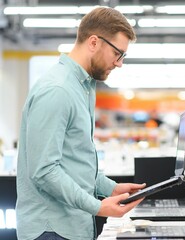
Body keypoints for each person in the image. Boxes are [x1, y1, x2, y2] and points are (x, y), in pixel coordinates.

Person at [16, 7, 146, 240]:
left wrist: (110, 188)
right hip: (52, 229)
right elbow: (44, 171)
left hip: (71, 225)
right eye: (118, 53)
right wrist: (98, 207)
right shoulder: (57, 90)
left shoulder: (83, 87)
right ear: (94, 42)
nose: (119, 64)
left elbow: (75, 161)